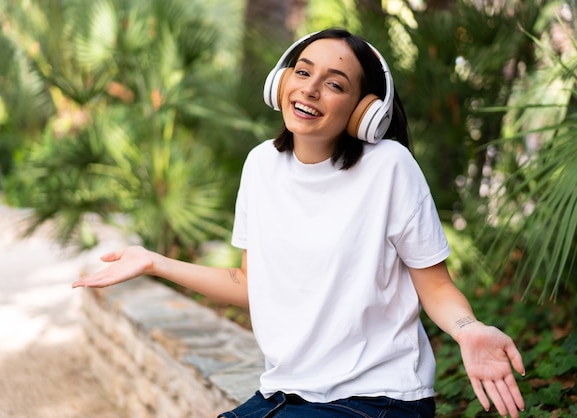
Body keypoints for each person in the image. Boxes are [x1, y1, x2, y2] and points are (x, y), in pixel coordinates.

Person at [73, 28, 525, 418]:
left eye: (334, 84)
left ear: (364, 109)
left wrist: (470, 330)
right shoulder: (260, 166)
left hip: (379, 398)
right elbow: (248, 282)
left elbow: (437, 287)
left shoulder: (390, 167)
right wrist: (153, 262)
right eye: (303, 72)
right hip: (286, 394)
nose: (310, 89)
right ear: (281, 81)